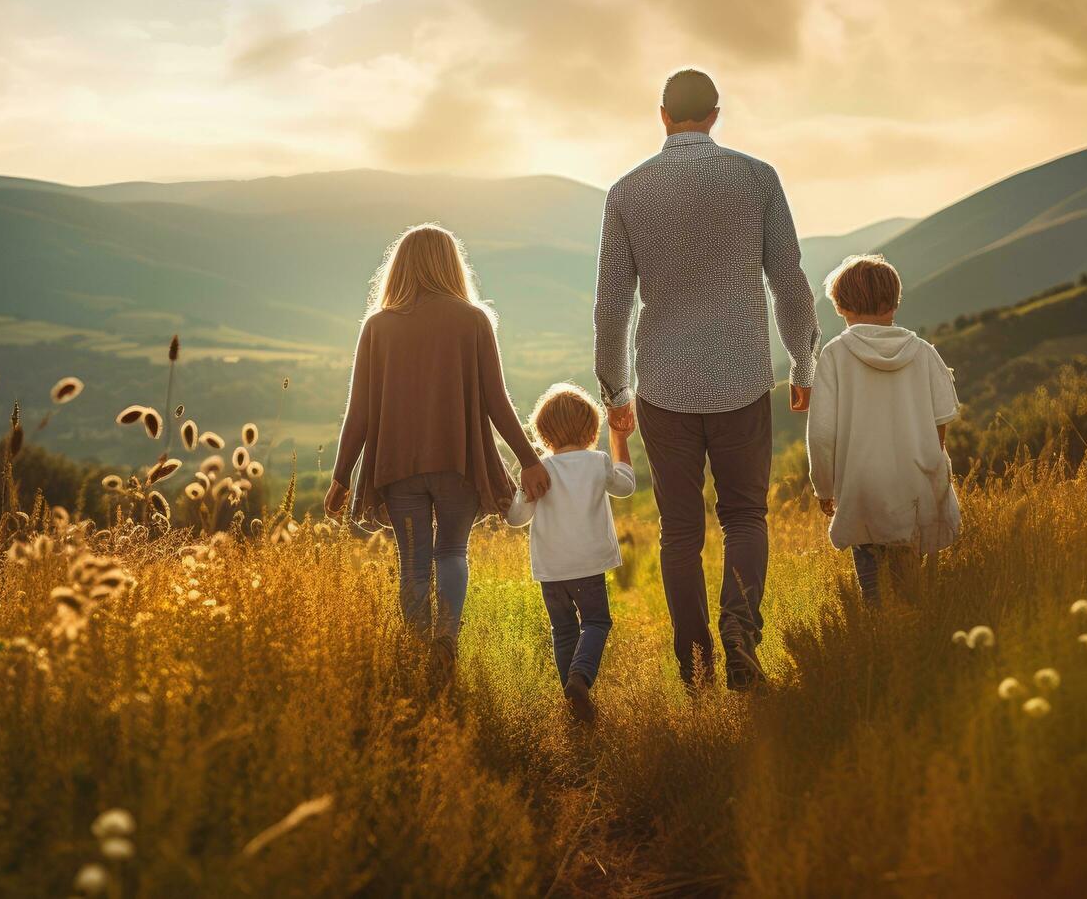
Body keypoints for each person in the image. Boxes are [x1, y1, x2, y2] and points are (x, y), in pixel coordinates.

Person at [594, 68, 820, 691]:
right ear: (716, 115)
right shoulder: (757, 179)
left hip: (663, 385)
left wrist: (613, 390)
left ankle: (695, 665)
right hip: (744, 378)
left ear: (662, 115)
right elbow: (790, 280)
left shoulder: (627, 191)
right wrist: (803, 362)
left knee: (680, 532)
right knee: (746, 517)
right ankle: (742, 635)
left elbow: (612, 302)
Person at [325, 224, 550, 678]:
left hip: (398, 466)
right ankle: (446, 643)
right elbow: (496, 400)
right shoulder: (473, 321)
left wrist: (341, 475)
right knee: (451, 552)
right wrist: (528, 459)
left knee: (412, 561)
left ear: (399, 267)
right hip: (458, 463)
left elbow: (360, 412)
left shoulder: (378, 326)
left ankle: (416, 653)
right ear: (452, 265)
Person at [805, 254, 961, 607]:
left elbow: (820, 434)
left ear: (841, 306)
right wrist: (931, 469)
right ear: (893, 301)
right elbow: (942, 419)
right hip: (916, 484)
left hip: (863, 488)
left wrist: (824, 487)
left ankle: (882, 636)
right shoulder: (923, 353)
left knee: (874, 586)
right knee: (911, 580)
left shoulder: (834, 355)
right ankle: (916, 636)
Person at [506, 383, 635, 724]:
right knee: (595, 621)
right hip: (588, 566)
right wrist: (620, 441)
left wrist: (517, 490)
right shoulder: (597, 461)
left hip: (552, 571)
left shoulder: (540, 469)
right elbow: (625, 485)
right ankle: (580, 678)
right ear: (592, 429)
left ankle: (574, 705)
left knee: (563, 631)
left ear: (543, 433)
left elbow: (517, 518)